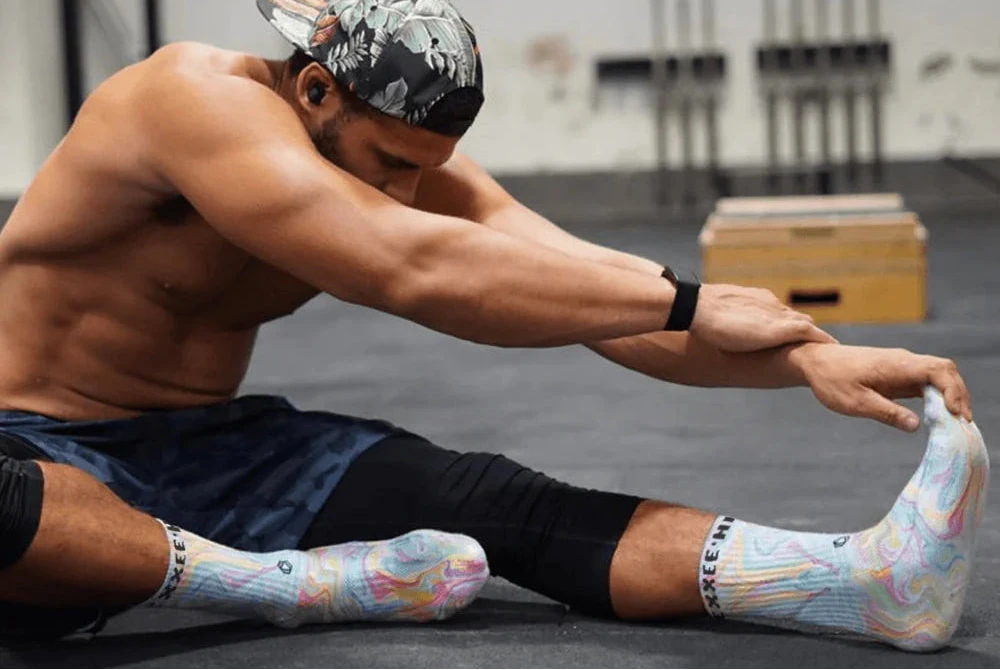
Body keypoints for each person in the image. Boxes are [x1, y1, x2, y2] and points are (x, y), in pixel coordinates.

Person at [0, 0, 985, 653]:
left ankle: (865, 579)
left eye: (427, 166)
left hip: (214, 449)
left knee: (499, 499)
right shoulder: (188, 100)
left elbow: (587, 293)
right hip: (29, 445)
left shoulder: (404, 164)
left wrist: (813, 356)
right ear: (312, 90)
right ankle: (290, 584)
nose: (411, 189)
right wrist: (685, 297)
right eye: (391, 162)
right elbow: (410, 265)